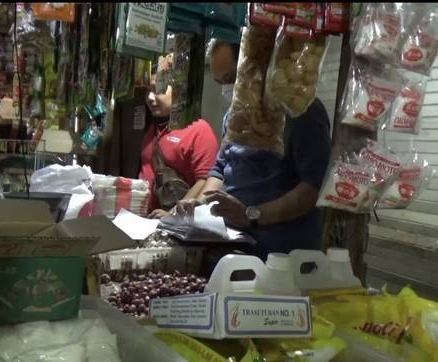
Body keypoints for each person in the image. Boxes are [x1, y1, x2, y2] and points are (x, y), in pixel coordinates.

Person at [179, 40, 332, 261]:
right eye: (220, 82)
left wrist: (251, 214)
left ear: (256, 67)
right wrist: (201, 203)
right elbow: (220, 169)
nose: (227, 89)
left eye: (231, 79)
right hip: (232, 247)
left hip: (280, 258)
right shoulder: (235, 116)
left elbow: (311, 190)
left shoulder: (302, 112)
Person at [139, 56, 219, 219]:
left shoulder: (198, 129)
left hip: (178, 224)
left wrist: (173, 214)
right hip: (146, 221)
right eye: (149, 90)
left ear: (178, 90)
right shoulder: (152, 129)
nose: (150, 98)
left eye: (159, 91)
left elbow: (205, 181)